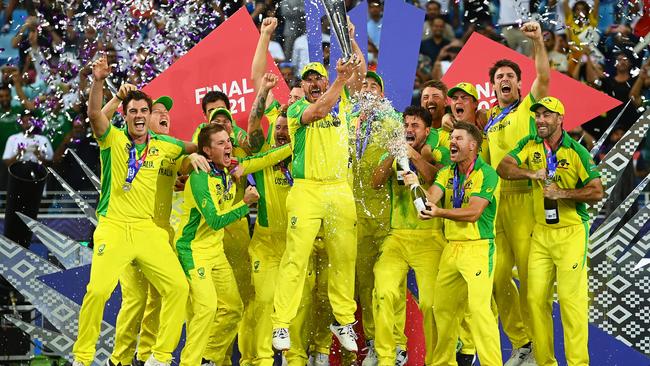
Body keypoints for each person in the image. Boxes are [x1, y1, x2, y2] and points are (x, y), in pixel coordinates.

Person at [71, 55, 198, 366]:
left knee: (179, 288)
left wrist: (207, 150)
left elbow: (199, 146)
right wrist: (102, 83)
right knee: (98, 291)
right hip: (114, 226)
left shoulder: (165, 145)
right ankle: (82, 358)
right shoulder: (112, 140)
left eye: (144, 111)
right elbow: (94, 115)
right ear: (125, 116)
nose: (140, 116)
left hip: (147, 230)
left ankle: (160, 356)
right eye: (133, 112)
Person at [271, 18, 367, 351]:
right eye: (308, 79)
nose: (314, 83)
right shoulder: (297, 107)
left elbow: (362, 75)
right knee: (296, 257)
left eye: (318, 78)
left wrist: (352, 40)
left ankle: (343, 322)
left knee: (344, 257)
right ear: (303, 86)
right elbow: (318, 111)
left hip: (340, 188)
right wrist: (337, 81)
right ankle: (281, 324)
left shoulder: (346, 103)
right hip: (307, 189)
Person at [497, 96, 603, 366]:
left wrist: (562, 193)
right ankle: (545, 362)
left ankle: (578, 363)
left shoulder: (576, 151)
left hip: (571, 232)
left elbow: (596, 191)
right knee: (534, 299)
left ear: (560, 119)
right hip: (541, 234)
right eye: (538, 115)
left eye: (547, 115)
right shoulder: (529, 144)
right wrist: (531, 174)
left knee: (570, 301)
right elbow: (503, 167)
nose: (540, 120)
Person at [178, 122, 292, 366]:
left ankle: (209, 358)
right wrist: (246, 203)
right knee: (207, 309)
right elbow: (216, 220)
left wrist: (297, 143)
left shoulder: (229, 169)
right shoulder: (200, 178)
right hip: (193, 251)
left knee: (232, 308)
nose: (228, 145)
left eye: (228, 141)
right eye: (221, 143)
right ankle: (190, 362)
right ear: (207, 151)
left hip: (215, 251)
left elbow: (267, 156)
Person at [407, 121, 502, 366]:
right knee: (442, 310)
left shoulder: (486, 173)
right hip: (452, 249)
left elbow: (473, 213)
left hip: (478, 248)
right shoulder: (447, 172)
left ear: (473, 146)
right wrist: (415, 186)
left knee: (480, 312)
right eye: (451, 138)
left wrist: (439, 213)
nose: (452, 142)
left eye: (458, 138)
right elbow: (430, 199)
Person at [484, 21, 550, 366]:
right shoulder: (490, 122)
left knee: (530, 280)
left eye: (510, 75)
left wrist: (537, 41)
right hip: (497, 204)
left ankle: (541, 351)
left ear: (519, 84)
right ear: (492, 86)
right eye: (499, 77)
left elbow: (545, 77)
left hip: (526, 196)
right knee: (497, 277)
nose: (505, 79)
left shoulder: (528, 109)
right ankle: (521, 342)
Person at [245, 72, 315, 366]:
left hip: (298, 246)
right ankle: (258, 361)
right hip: (266, 245)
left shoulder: (308, 159)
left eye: (288, 129)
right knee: (263, 302)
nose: (283, 132)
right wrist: (262, 91)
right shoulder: (264, 153)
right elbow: (252, 124)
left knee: (299, 306)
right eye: (279, 127)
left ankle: (295, 361)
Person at [371, 106, 448, 366]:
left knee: (431, 304)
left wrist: (412, 154)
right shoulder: (396, 150)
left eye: (415, 126)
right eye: (406, 124)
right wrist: (393, 156)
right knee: (383, 292)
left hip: (430, 238)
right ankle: (386, 357)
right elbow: (375, 181)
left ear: (427, 130)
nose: (409, 129)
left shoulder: (438, 152)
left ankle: (437, 361)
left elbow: (436, 176)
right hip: (397, 238)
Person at [353, 71, 407, 366]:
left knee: (388, 285)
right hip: (356, 216)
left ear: (382, 95)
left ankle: (397, 344)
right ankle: (374, 342)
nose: (369, 89)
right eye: (365, 85)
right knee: (364, 285)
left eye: (375, 86)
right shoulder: (350, 123)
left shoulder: (392, 122)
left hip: (385, 215)